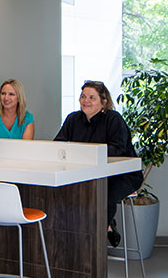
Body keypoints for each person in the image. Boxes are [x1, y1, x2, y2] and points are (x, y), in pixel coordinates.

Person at [54, 80, 144, 247]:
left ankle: (94, 242)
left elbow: (118, 148)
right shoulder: (73, 119)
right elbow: (59, 144)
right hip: (88, 174)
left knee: (102, 195)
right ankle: (101, 229)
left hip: (121, 175)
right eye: (83, 96)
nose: (85, 101)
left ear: (103, 101)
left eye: (91, 97)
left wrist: (86, 153)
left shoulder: (113, 119)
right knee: (70, 194)